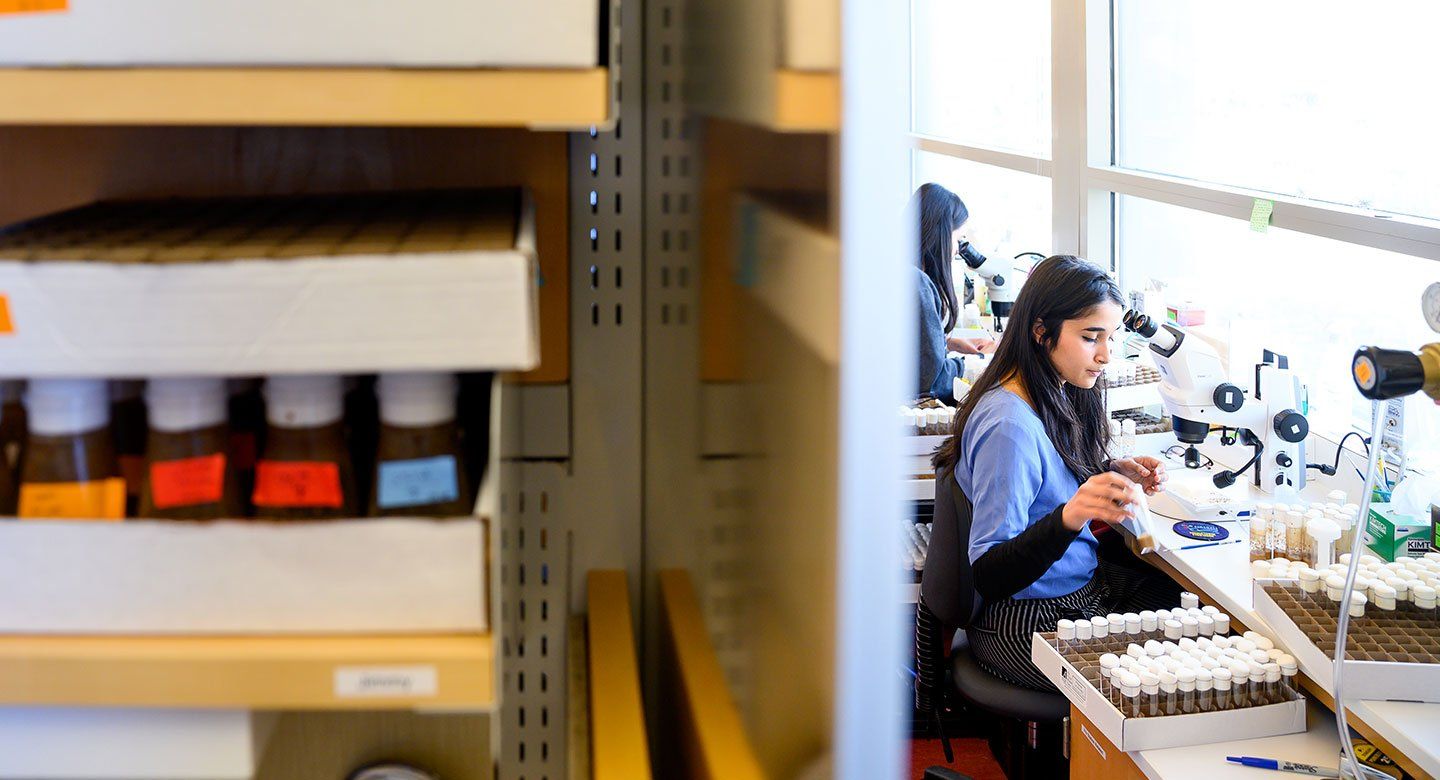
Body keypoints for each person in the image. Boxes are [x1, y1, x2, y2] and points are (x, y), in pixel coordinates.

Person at [926, 255, 1179, 691]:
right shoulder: (1010, 426)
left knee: (1182, 607)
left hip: (1072, 591)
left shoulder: (1046, 389)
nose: (1104, 355)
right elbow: (990, 573)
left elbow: (1041, 477)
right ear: (1042, 332)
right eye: (1090, 338)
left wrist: (1106, 471)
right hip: (1025, 621)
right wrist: (1071, 515)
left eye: (1112, 339)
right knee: (1171, 671)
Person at [911, 183, 995, 403]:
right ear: (942, 233)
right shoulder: (916, 282)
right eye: (957, 239)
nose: (958, 249)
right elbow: (929, 381)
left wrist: (948, 343)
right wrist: (981, 361)